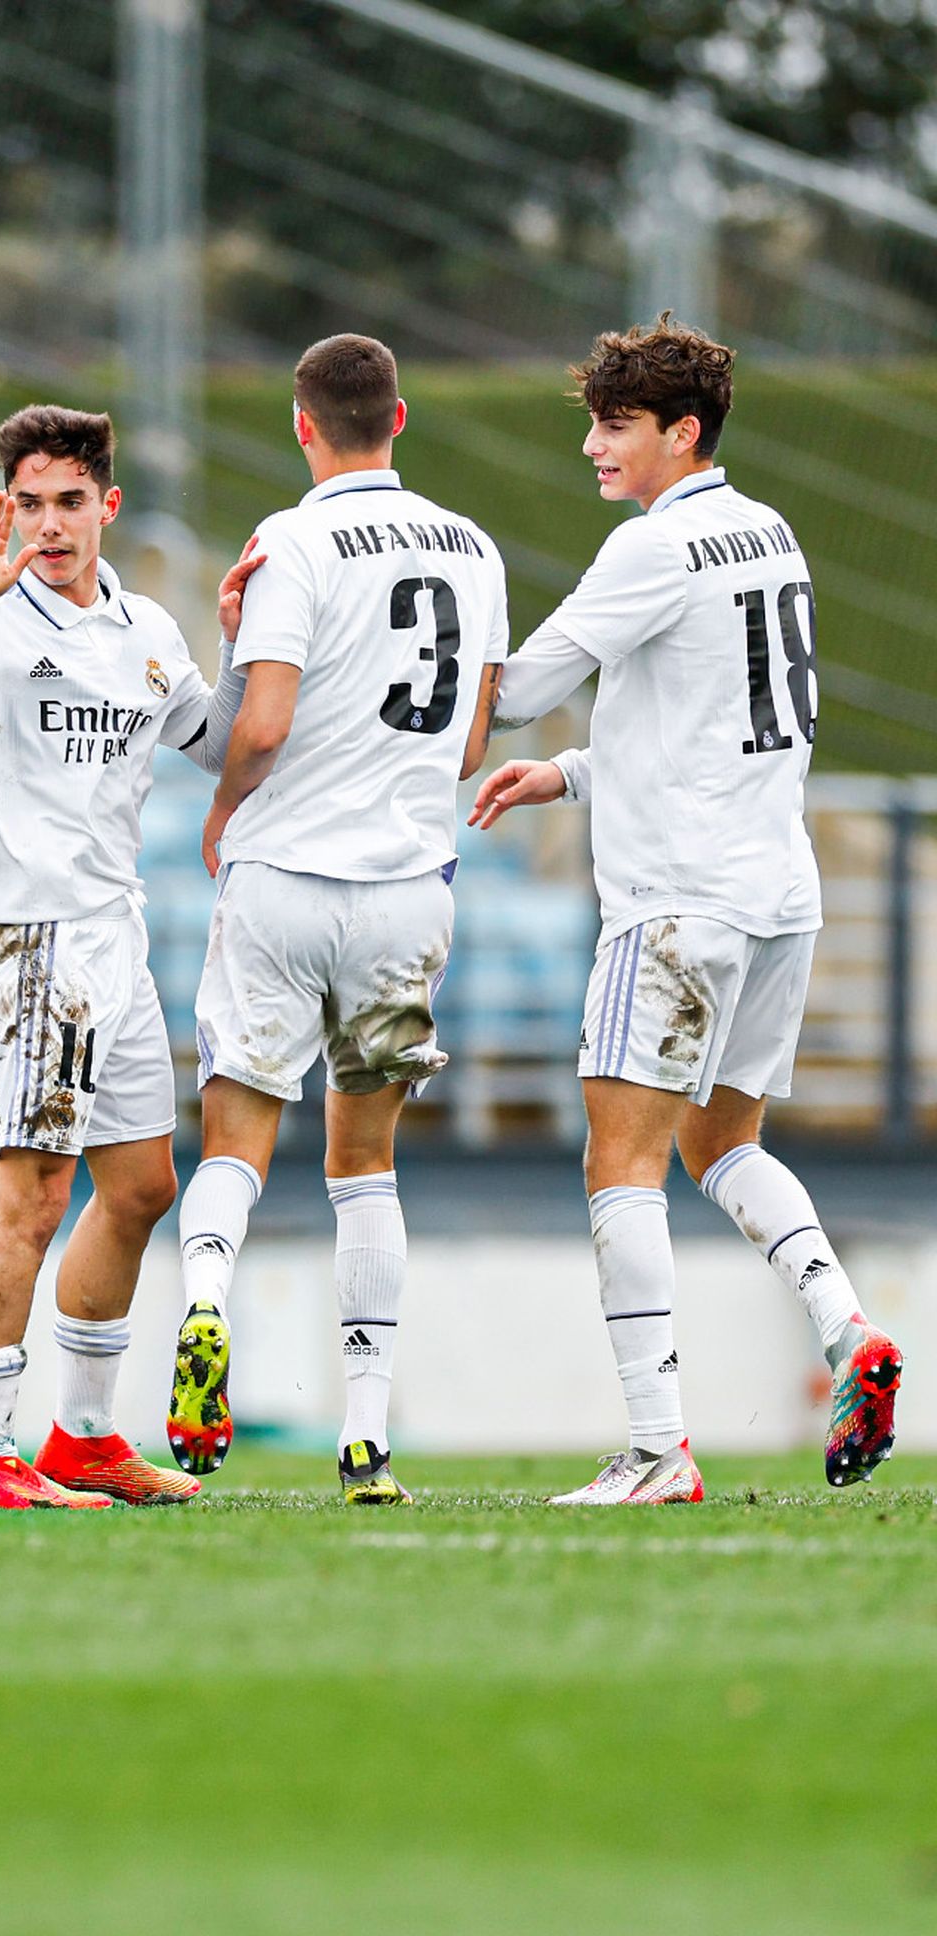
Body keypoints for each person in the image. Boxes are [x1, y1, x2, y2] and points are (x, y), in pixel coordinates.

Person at [469, 313, 901, 1503]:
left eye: (617, 427)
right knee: (723, 1143)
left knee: (622, 1163)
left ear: (681, 431)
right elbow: (720, 721)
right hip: (776, 897)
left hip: (674, 904)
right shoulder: (769, 531)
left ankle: (658, 1447)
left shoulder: (651, 551)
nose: (596, 450)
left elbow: (516, 690)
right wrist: (575, 773)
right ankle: (848, 1328)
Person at [0, 405, 261, 1509]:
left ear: (107, 506)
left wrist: (239, 644)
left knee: (139, 1186)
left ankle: (82, 1437)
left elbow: (218, 743)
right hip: (26, 943)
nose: (46, 523)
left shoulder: (143, 628)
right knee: (30, 1199)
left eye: (67, 502)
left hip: (114, 942)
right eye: (28, 502)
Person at [167, 333, 508, 1505]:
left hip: (283, 878)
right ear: (399, 418)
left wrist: (221, 806)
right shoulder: (475, 547)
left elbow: (257, 724)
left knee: (235, 1142)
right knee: (363, 1168)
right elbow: (468, 743)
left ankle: (205, 1309)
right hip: (407, 886)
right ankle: (366, 1435)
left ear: (302, 424)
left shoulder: (287, 540)